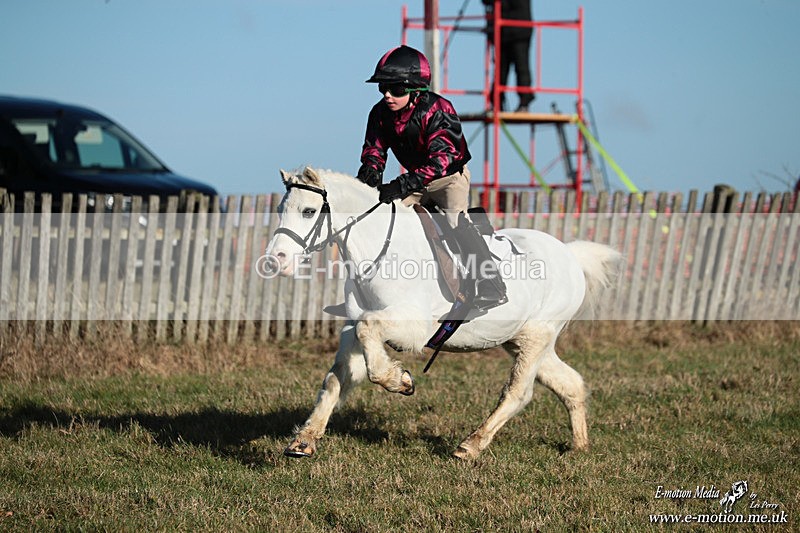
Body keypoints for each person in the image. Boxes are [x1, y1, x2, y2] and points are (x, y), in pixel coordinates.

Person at [356, 45, 507, 311]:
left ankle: (491, 284)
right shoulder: (379, 113)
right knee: (384, 219)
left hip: (448, 178)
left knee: (454, 220)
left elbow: (441, 162)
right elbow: (374, 151)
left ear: (416, 91)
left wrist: (402, 183)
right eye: (383, 89)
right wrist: (370, 173)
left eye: (396, 90)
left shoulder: (439, 108)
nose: (388, 96)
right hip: (415, 178)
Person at [483, 0, 534, 112]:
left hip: (518, 30)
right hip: (503, 31)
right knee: (501, 70)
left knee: (521, 68)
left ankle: (524, 102)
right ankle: (497, 102)